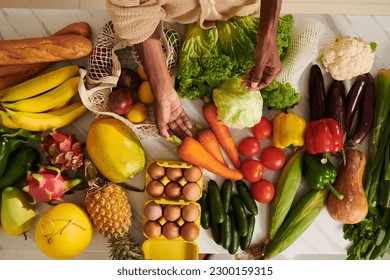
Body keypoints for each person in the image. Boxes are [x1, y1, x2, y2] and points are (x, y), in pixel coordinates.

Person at [106, 0, 282, 139]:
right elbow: (130, 11)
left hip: (246, 9)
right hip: (176, 16)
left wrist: (268, 31)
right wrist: (162, 88)